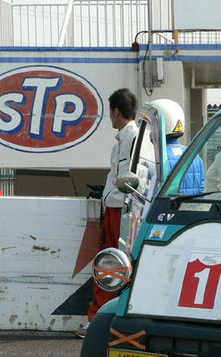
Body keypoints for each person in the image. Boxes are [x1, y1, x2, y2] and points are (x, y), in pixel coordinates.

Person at [79, 88, 139, 338]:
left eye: (111, 113)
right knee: (114, 264)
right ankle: (108, 317)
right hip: (116, 209)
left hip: (121, 211)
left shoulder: (132, 138)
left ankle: (99, 319)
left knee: (110, 265)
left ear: (116, 111)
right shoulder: (128, 137)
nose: (110, 118)